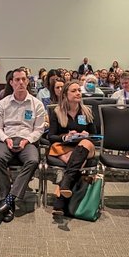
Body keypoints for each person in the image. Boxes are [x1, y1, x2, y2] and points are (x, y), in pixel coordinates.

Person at [0, 68, 46, 224]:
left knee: (33, 161)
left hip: (26, 140)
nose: (21, 82)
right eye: (17, 80)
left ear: (27, 81)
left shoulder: (37, 104)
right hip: (6, 138)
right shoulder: (3, 103)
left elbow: (39, 129)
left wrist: (27, 140)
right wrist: (5, 138)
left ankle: (8, 201)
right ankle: (8, 201)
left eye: (23, 79)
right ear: (11, 83)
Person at [47, 81, 96, 214]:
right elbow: (51, 136)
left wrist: (86, 134)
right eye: (74, 91)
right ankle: (61, 200)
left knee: (84, 143)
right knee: (75, 162)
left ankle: (64, 186)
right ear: (65, 95)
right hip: (66, 147)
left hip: (86, 147)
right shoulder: (57, 112)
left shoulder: (87, 111)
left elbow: (94, 134)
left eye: (79, 90)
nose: (78, 93)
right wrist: (65, 137)